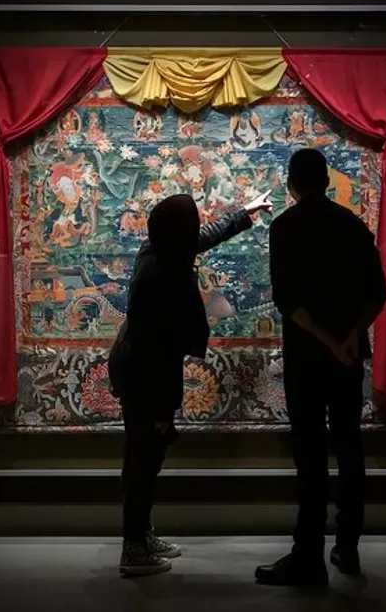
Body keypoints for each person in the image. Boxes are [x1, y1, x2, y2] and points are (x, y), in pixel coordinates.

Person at [109, 190, 273, 577]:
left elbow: (202, 236)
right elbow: (155, 352)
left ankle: (142, 534)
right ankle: (133, 548)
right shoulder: (160, 276)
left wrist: (243, 215)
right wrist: (163, 408)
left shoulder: (160, 249)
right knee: (142, 462)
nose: (196, 230)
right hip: (146, 376)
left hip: (143, 370)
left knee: (145, 458)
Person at [255, 148, 386, 587]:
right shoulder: (352, 225)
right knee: (350, 449)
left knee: (310, 458)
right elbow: (378, 293)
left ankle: (307, 557)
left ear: (291, 183)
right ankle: (347, 548)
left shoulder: (285, 227)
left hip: (309, 360)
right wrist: (350, 336)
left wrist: (329, 341)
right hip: (348, 357)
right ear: (327, 181)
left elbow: (287, 301)